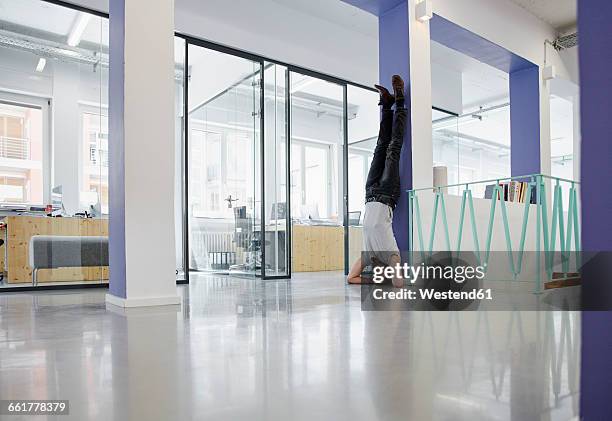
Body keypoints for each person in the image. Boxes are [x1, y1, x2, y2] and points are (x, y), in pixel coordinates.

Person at [347, 75, 407, 288]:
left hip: (370, 192)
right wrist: (385, 278)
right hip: (388, 193)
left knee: (380, 147)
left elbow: (351, 278)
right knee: (394, 148)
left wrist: (373, 280)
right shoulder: (392, 255)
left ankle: (386, 105)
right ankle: (399, 101)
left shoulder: (369, 255)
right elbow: (399, 283)